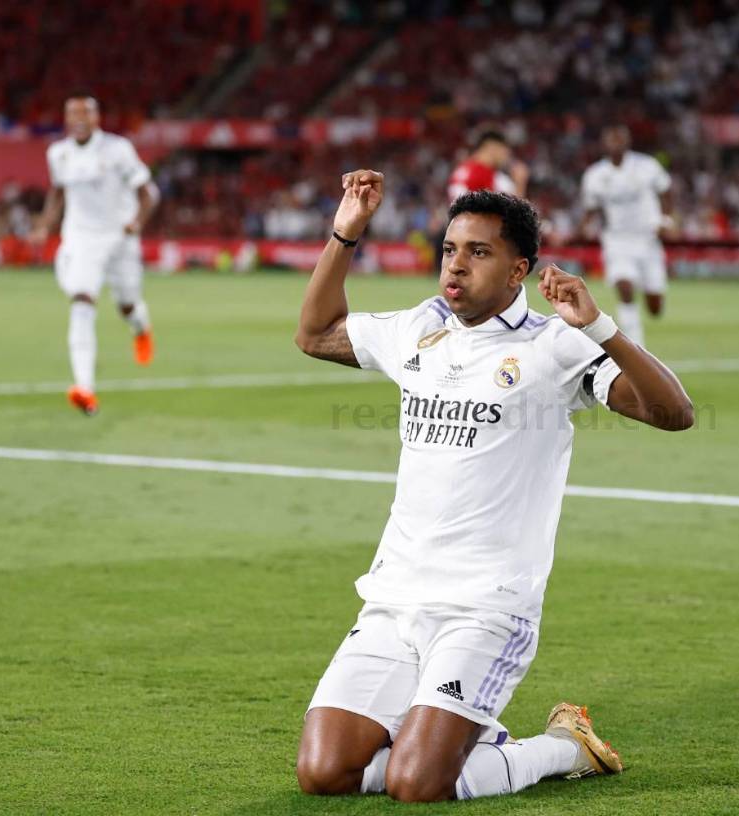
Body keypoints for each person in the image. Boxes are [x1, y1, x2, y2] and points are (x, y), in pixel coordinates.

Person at [293, 170, 693, 802]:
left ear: (518, 271)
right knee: (322, 774)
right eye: (450, 249)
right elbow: (315, 334)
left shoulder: (553, 346)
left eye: (478, 252)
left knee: (417, 784)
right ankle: (455, 740)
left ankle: (562, 747)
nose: (455, 266)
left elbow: (675, 413)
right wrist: (345, 234)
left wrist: (599, 327)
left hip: (486, 607)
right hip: (395, 598)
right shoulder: (418, 328)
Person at [31, 94, 160, 416]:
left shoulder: (118, 150)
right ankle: (84, 389)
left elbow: (148, 193)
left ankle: (141, 329)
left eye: (85, 113)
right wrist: (45, 225)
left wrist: (136, 223)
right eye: (72, 113)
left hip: (119, 237)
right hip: (81, 238)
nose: (78, 118)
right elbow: (58, 193)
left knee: (127, 304)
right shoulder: (58, 153)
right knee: (82, 301)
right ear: (65, 118)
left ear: (96, 117)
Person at [580, 125, 676, 345]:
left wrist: (666, 220)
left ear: (628, 141)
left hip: (648, 239)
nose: (615, 143)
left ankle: (651, 296)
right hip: (617, 240)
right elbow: (591, 209)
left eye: (619, 139)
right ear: (604, 144)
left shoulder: (647, 166)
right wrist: (583, 229)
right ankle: (636, 345)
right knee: (624, 287)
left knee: (655, 306)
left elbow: (666, 192)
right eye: (611, 139)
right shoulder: (595, 175)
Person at [446, 129, 530, 202]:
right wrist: (520, 184)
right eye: (505, 151)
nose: (506, 157)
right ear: (492, 147)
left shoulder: (463, 171)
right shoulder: (474, 174)